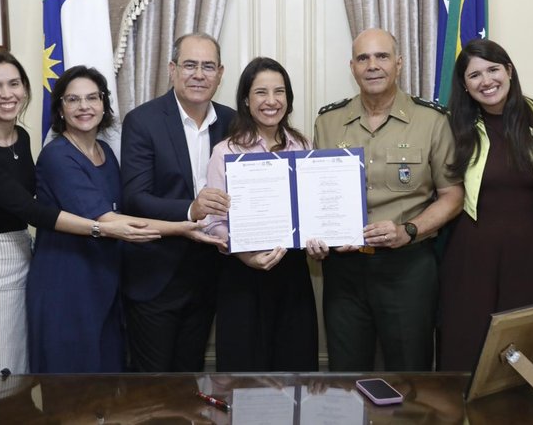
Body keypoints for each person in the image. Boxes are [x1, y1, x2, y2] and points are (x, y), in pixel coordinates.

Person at [0, 52, 160, 374]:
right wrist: (103, 229)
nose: (6, 94)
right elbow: (33, 210)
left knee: (17, 376)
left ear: (26, 89)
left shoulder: (21, 138)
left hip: (21, 260)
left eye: (14, 83)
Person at [26, 66, 225, 373]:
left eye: (92, 98)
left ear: (104, 104)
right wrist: (185, 227)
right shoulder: (57, 156)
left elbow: (123, 213)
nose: (84, 107)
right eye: (73, 100)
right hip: (67, 285)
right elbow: (112, 223)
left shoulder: (104, 152)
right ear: (60, 109)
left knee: (107, 383)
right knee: (70, 389)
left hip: (105, 280)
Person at [312, 28, 463, 371]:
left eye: (381, 57)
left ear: (398, 64)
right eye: (363, 58)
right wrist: (317, 236)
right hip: (344, 271)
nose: (372, 65)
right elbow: (318, 195)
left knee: (411, 374)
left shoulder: (432, 120)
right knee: (346, 374)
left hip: (407, 267)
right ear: (352, 67)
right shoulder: (328, 122)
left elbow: (452, 195)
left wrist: (408, 230)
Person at [437, 39, 533, 371]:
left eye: (493, 69)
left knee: (532, 342)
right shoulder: (453, 126)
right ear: (464, 85)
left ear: (509, 71)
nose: (486, 81)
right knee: (467, 341)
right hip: (473, 252)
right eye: (474, 75)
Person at [121, 32, 235, 372]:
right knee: (153, 386)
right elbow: (135, 197)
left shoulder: (232, 121)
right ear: (172, 69)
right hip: (157, 275)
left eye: (208, 66)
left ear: (220, 73)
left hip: (211, 274)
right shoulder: (143, 121)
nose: (199, 74)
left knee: (190, 378)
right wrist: (191, 209)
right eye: (189, 65)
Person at [203, 57, 318, 372]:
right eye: (261, 93)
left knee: (295, 372)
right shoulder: (225, 152)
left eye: (279, 92)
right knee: (246, 381)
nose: (271, 101)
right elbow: (212, 223)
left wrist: (320, 241)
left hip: (292, 275)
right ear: (245, 100)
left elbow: (312, 212)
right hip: (242, 279)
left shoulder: (303, 145)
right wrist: (245, 255)